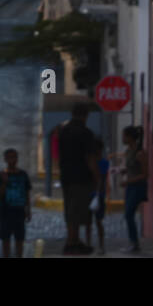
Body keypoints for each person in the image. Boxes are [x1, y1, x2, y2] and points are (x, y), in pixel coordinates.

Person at [57, 102, 98, 255]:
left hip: (66, 176)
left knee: (69, 209)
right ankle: (72, 242)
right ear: (85, 115)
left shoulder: (63, 131)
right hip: (81, 177)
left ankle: (73, 240)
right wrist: (97, 178)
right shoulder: (86, 133)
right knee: (77, 210)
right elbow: (90, 158)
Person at [0, 148, 32, 258]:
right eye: (10, 157)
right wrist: (5, 183)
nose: (12, 160)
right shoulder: (1, 175)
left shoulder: (23, 174)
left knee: (19, 239)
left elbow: (27, 193)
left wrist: (28, 209)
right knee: (6, 240)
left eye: (14, 157)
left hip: (19, 211)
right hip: (5, 212)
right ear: (5, 159)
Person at [120, 126, 148, 253]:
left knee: (129, 214)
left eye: (124, 136)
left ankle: (135, 242)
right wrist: (123, 171)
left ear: (130, 137)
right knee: (128, 214)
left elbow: (145, 174)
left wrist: (128, 181)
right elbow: (131, 168)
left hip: (137, 187)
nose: (123, 138)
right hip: (130, 187)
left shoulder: (140, 153)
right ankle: (133, 242)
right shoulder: (128, 151)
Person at [90, 136, 109, 254]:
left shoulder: (100, 162)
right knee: (96, 221)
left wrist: (97, 192)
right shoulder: (103, 162)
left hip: (96, 194)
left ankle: (98, 245)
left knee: (95, 221)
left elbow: (101, 179)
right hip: (98, 194)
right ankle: (99, 245)